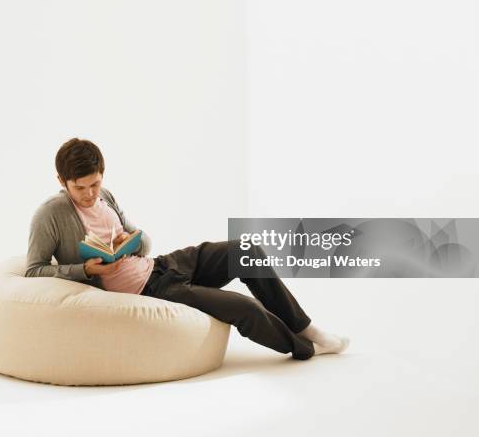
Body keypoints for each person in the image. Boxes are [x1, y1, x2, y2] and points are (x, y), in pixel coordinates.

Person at [25, 137, 350, 360]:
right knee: (245, 308)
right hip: (149, 291)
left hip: (162, 266)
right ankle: (304, 348)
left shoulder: (105, 195)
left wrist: (132, 239)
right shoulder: (50, 215)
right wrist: (87, 270)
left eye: (95, 183)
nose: (90, 194)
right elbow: (34, 269)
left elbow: (140, 238)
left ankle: (306, 326)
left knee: (245, 250)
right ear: (61, 181)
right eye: (79, 188)